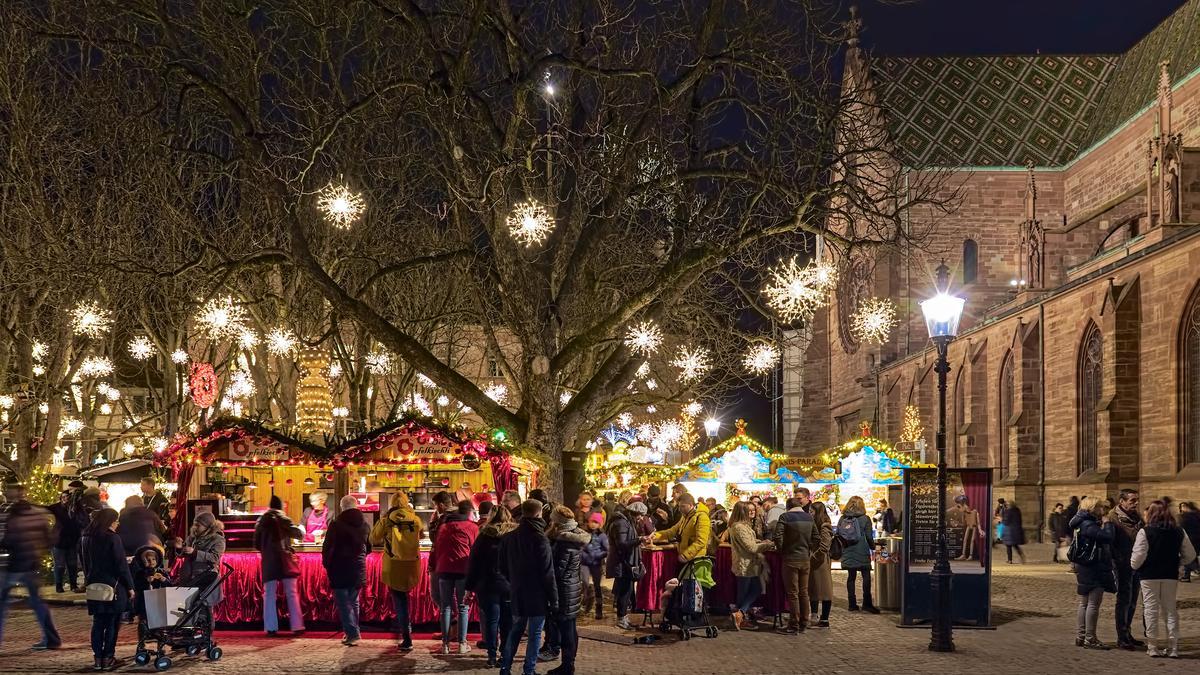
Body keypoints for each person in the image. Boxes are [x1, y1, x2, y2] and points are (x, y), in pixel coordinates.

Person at [1130, 499, 1195, 658]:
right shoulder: (1178, 531)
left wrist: (1134, 566)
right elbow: (1190, 554)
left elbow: (1138, 557)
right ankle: (1173, 647)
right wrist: (1179, 562)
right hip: (1169, 574)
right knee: (1170, 610)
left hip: (1149, 575)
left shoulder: (1145, 531)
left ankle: (1153, 646)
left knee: (1150, 609)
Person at [499, 500, 558, 675]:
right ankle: (529, 670)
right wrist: (554, 599)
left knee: (515, 630)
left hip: (517, 591)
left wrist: (514, 581)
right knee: (534, 634)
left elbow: (501, 566)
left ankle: (505, 667)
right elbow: (548, 573)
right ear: (539, 514)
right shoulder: (540, 539)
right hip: (537, 594)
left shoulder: (509, 537)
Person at [0, 483, 61, 652]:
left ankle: (51, 639)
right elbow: (48, 539)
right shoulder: (37, 514)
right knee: (37, 602)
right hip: (32, 563)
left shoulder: (10, 515)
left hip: (13, 565)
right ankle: (51, 639)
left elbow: (7, 541)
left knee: (2, 603)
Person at [81, 508, 133, 670]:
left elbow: (84, 562)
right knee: (112, 623)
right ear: (110, 521)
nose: (117, 524)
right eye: (116, 521)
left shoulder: (86, 537)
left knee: (98, 623)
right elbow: (120, 565)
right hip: (113, 585)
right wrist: (130, 586)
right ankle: (108, 657)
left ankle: (98, 659)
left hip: (94, 584)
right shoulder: (112, 538)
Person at [371, 491, 424, 652]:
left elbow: (373, 539)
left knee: (399, 601)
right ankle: (407, 629)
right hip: (412, 564)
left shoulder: (387, 520)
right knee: (406, 599)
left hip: (393, 565)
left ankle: (406, 637)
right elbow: (420, 536)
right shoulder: (415, 519)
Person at [467, 502, 517, 667]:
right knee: (507, 621)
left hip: (487, 584)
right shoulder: (513, 536)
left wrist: (469, 587)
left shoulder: (484, 536)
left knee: (491, 621)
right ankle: (505, 653)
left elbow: (474, 562)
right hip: (509, 585)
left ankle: (491, 655)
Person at [322, 495, 371, 646]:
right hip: (358, 567)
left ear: (342, 507)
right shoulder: (365, 524)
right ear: (356, 506)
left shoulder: (336, 524)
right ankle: (353, 631)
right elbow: (368, 547)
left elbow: (327, 547)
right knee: (353, 602)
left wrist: (327, 564)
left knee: (344, 603)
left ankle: (352, 633)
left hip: (340, 568)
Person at [545, 506, 589, 675]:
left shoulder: (564, 543)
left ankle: (567, 665)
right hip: (571, 588)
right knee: (569, 627)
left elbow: (558, 571)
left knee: (567, 629)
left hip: (565, 591)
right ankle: (568, 664)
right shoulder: (573, 538)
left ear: (558, 523)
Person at [254, 495, 305, 636]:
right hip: (285, 561)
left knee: (269, 595)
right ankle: (297, 626)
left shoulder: (261, 521)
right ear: (281, 506)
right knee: (292, 593)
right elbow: (299, 534)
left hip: (269, 562)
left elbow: (256, 544)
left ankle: (270, 628)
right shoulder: (283, 519)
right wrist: (301, 528)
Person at [1069, 497, 1116, 649]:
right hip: (1092, 566)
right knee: (1093, 604)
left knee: (1084, 603)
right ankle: (1090, 638)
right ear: (1093, 508)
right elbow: (1108, 537)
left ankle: (1081, 636)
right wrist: (1108, 523)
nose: (1102, 510)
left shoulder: (1080, 522)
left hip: (1084, 566)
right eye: (1100, 507)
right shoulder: (1088, 525)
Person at [433, 499, 479, 655]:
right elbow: (475, 550)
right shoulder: (472, 527)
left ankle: (445, 645)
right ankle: (462, 643)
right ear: (469, 513)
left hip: (444, 569)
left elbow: (436, 548)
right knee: (463, 607)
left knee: (445, 607)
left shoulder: (443, 527)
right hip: (463, 570)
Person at [773, 497, 818, 634]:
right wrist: (809, 550)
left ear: (788, 507)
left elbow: (778, 536)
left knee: (793, 593)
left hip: (790, 558)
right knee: (804, 592)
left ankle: (793, 625)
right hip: (805, 559)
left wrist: (782, 550)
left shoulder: (785, 517)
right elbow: (816, 537)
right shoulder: (809, 518)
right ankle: (804, 622)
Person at [727, 501, 771, 630]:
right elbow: (750, 547)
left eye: (753, 510)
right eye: (749, 510)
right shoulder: (739, 527)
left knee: (754, 589)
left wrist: (759, 541)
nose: (752, 512)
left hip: (749, 565)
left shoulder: (743, 526)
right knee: (745, 592)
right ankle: (740, 615)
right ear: (742, 512)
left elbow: (748, 542)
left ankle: (740, 615)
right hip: (745, 564)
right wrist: (767, 544)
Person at [1111, 488, 1144, 650]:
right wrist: (1116, 559)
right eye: (1132, 501)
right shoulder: (1113, 518)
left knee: (1132, 600)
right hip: (1122, 564)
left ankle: (1127, 632)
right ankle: (1121, 636)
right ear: (1122, 501)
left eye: (1136, 500)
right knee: (1124, 599)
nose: (1136, 503)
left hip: (1136, 563)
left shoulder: (1136, 517)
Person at [606, 501, 644, 630]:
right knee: (624, 591)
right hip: (622, 562)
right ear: (634, 514)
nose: (640, 518)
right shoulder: (621, 523)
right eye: (639, 515)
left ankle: (623, 617)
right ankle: (621, 619)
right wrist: (639, 540)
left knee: (626, 590)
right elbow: (622, 544)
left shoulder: (626, 521)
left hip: (624, 561)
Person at [838, 495, 878, 613]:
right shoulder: (865, 519)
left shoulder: (842, 518)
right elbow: (869, 536)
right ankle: (867, 603)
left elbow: (839, 534)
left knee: (851, 577)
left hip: (848, 549)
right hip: (861, 550)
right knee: (866, 576)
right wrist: (873, 547)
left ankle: (852, 604)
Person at [177, 512, 226, 607]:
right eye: (194, 524)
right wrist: (180, 548)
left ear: (207, 527)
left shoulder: (218, 539)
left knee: (205, 608)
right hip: (189, 578)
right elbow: (183, 553)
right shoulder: (192, 537)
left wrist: (195, 552)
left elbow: (215, 557)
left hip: (205, 578)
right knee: (189, 608)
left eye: (198, 525)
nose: (195, 527)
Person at [648, 493, 711, 564]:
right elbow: (671, 532)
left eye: (683, 506)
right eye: (679, 506)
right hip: (687, 558)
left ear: (690, 505)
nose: (680, 509)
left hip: (696, 560)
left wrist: (686, 555)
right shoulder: (685, 517)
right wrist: (655, 536)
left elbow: (701, 541)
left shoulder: (702, 517)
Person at [805, 497, 834, 627]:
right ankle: (815, 615)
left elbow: (824, 546)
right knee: (814, 588)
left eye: (812, 511)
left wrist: (814, 557)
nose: (810, 514)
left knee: (824, 589)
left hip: (821, 561)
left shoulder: (824, 526)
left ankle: (825, 618)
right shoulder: (813, 525)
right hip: (814, 560)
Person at [47, 490, 83, 593]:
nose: (65, 499)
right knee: (59, 565)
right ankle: (59, 585)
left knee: (72, 565)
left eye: (67, 497)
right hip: (59, 541)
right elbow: (46, 509)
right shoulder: (56, 507)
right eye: (63, 497)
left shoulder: (76, 508)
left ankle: (73, 585)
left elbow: (81, 520)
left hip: (72, 540)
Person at [130, 541, 170, 623]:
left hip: (159, 601)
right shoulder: (140, 573)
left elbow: (170, 585)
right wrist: (146, 581)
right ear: (143, 561)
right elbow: (136, 586)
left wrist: (163, 579)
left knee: (159, 621)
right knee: (145, 621)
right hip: (144, 603)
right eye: (148, 560)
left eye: (153, 559)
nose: (151, 562)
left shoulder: (161, 572)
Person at [579, 513, 608, 620]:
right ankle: (587, 599)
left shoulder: (602, 536)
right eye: (592, 522)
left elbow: (606, 550)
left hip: (596, 564)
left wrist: (597, 555)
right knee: (584, 582)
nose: (593, 524)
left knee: (597, 586)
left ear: (600, 524)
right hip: (584, 563)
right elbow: (580, 546)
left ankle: (598, 608)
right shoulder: (584, 533)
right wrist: (582, 553)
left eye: (596, 522)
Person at [1179, 501, 1200, 582]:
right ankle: (1195, 569)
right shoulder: (1198, 514)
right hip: (1197, 539)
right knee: (1193, 555)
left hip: (1190, 539)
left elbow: (1182, 528)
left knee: (1188, 556)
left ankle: (1187, 576)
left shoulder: (1186, 516)